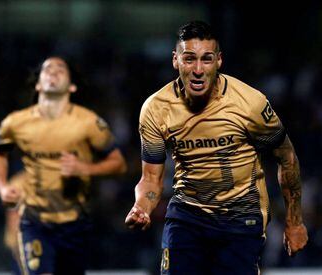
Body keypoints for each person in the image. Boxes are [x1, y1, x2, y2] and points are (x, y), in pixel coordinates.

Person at [125, 21, 308, 274]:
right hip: (187, 215)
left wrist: (294, 221)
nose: (198, 69)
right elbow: (151, 179)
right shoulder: (156, 110)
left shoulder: (250, 104)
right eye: (189, 59)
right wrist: (141, 207)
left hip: (240, 217)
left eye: (206, 59)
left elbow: (286, 157)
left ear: (219, 61)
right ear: (175, 60)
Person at [0, 56, 127, 275]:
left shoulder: (88, 122)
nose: (53, 71)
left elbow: (118, 163)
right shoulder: (16, 122)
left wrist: (85, 168)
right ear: (37, 84)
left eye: (60, 69)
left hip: (74, 222)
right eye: (47, 69)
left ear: (72, 86)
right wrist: (2, 186)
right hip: (35, 220)